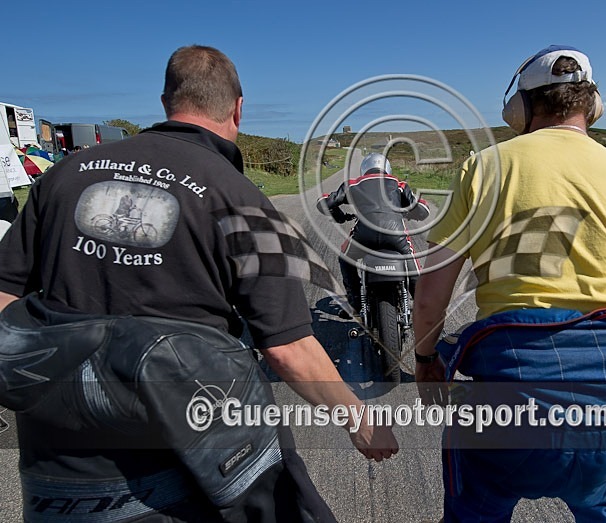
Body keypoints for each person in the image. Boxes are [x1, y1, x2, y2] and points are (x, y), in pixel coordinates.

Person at [0, 45, 397, 522]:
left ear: (167, 100)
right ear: (238, 108)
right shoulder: (245, 200)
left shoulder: (62, 175)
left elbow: (6, 295)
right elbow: (286, 348)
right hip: (185, 441)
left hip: (58, 456)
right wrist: (357, 418)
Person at [412, 45, 606, 522]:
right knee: (605, 499)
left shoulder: (485, 168)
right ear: (591, 107)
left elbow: (432, 295)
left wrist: (425, 359)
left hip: (518, 397)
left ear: (520, 109)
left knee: (476, 505)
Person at [316, 152, 429, 317]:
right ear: (387, 168)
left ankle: (354, 303)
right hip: (395, 234)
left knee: (345, 258)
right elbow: (423, 210)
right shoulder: (398, 183)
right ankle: (422, 306)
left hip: (364, 235)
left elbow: (323, 203)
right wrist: (410, 213)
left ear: (364, 169)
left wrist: (339, 216)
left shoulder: (353, 184)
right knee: (412, 263)